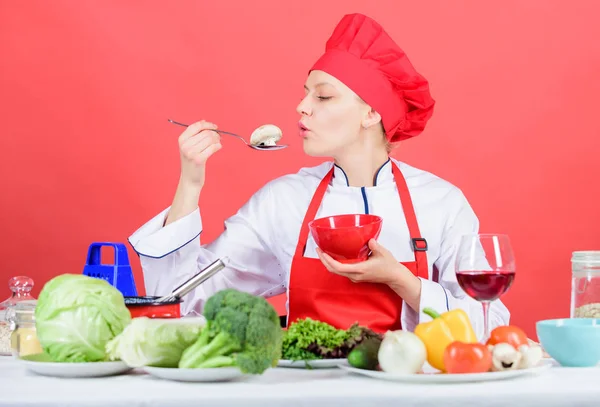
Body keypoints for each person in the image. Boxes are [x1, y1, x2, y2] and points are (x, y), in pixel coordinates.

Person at [128, 13, 510, 337]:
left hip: (410, 390)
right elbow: (178, 299)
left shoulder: (441, 202)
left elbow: (487, 324)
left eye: (323, 97)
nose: (301, 107)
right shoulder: (283, 201)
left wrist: (403, 281)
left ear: (371, 113)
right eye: (305, 93)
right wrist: (190, 184)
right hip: (301, 390)